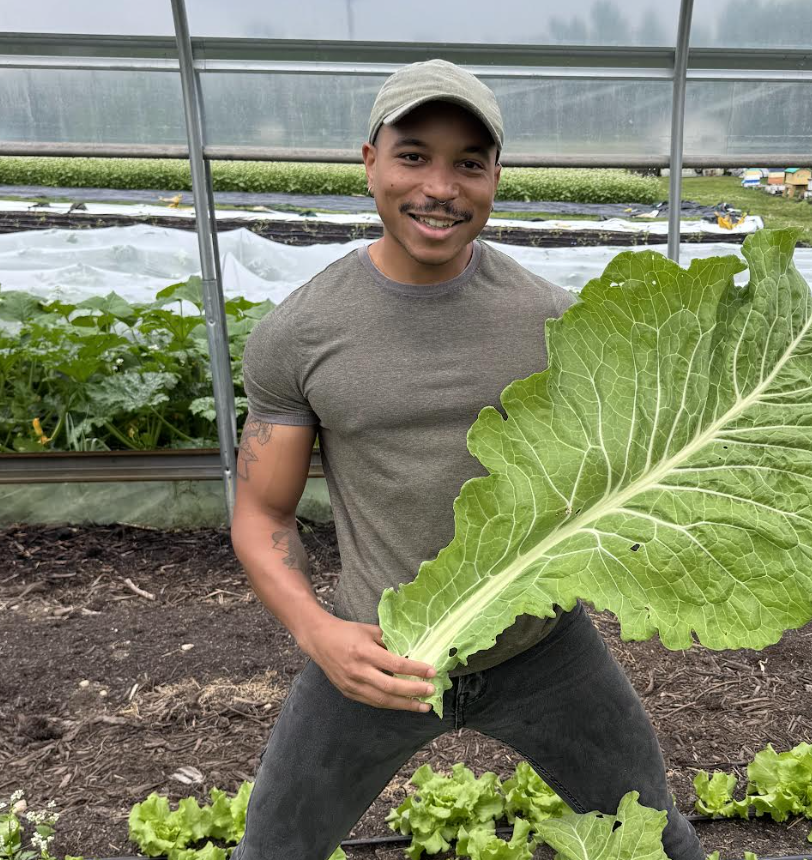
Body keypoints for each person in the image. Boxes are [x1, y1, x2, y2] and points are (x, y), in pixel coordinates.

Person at [229, 58, 704, 860]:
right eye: (414, 155)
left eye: (469, 164)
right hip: (376, 657)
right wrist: (317, 634)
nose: (440, 187)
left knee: (656, 841)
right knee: (274, 851)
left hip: (543, 651)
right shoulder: (300, 333)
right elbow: (261, 511)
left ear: (494, 178)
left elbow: (618, 474)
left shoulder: (556, 322)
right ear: (369, 161)